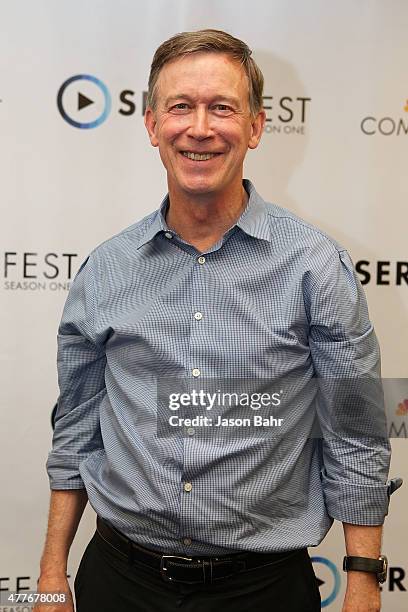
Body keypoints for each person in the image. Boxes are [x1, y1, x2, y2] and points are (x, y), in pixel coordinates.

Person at [36, 29, 400, 612]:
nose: (200, 128)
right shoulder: (106, 269)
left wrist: (362, 583)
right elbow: (76, 425)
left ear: (255, 127)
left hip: (263, 590)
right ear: (152, 125)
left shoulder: (313, 265)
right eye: (181, 106)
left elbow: (355, 429)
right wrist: (51, 572)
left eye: (222, 108)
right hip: (119, 580)